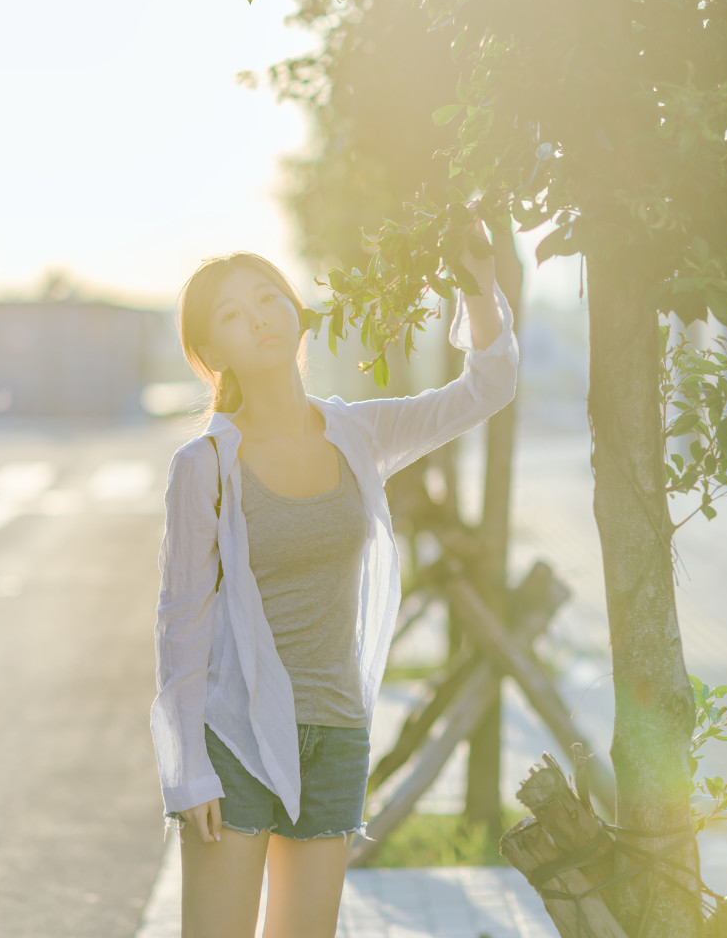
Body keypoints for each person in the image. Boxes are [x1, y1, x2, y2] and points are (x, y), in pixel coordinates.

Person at [149, 220, 519, 938]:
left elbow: (487, 388)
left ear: (295, 309)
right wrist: (187, 771)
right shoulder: (204, 466)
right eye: (232, 314)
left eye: (267, 297)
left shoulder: (358, 433)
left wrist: (477, 286)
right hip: (236, 737)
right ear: (212, 353)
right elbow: (180, 626)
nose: (258, 317)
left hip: (336, 733)